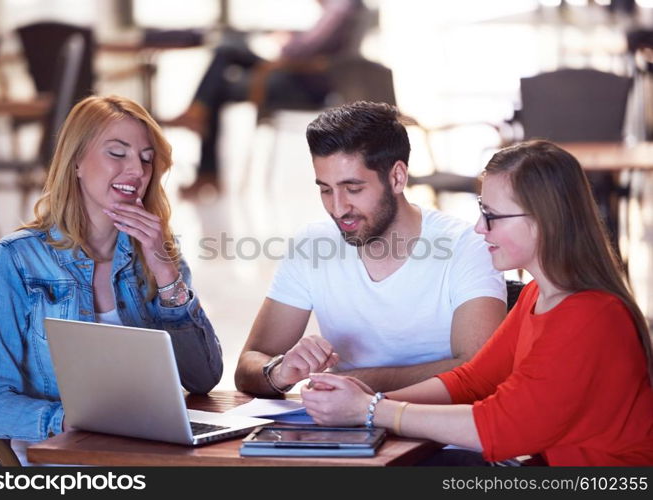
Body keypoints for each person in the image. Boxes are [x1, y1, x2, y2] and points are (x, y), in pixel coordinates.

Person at [301, 140, 653, 466]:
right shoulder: (538, 295)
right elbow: (473, 382)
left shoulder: (589, 315)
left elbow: (499, 426)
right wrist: (376, 399)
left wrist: (371, 409)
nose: (479, 228)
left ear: (545, 220)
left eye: (493, 216)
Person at [0, 95, 223, 461]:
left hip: (149, 455)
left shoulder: (157, 253)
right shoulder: (18, 259)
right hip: (62, 461)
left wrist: (166, 273)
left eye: (146, 159)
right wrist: (65, 420)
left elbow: (204, 378)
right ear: (76, 162)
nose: (136, 170)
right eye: (117, 154)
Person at [234, 101, 507, 395]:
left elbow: (479, 372)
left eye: (353, 188)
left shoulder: (466, 246)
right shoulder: (311, 246)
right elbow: (249, 364)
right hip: (342, 429)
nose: (338, 208)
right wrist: (280, 370)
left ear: (397, 177)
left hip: (440, 430)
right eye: (326, 189)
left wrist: (356, 383)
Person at [162, 0, 366, 198]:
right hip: (292, 74)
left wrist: (286, 41)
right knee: (227, 49)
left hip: (301, 84)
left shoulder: (341, 6)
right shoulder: (340, 7)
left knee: (221, 84)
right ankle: (199, 114)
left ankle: (203, 142)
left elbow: (300, 51)